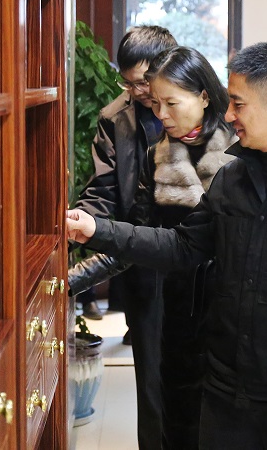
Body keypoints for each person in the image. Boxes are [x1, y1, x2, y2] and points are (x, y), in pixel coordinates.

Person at [67, 41, 267, 449]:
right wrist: (96, 229)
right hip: (226, 395)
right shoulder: (232, 179)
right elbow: (182, 246)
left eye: (238, 104)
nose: (227, 115)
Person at [70, 46, 236, 449]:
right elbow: (140, 238)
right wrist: (72, 279)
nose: (160, 115)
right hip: (178, 311)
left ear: (204, 96)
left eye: (170, 104)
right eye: (156, 104)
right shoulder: (156, 156)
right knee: (173, 419)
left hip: (234, 315)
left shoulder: (240, 152)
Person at [70, 25, 177, 450]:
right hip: (142, 262)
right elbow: (103, 190)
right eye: (128, 83)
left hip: (199, 266)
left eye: (143, 82)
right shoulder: (115, 117)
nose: (136, 92)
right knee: (151, 383)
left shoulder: (202, 108)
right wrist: (80, 223)